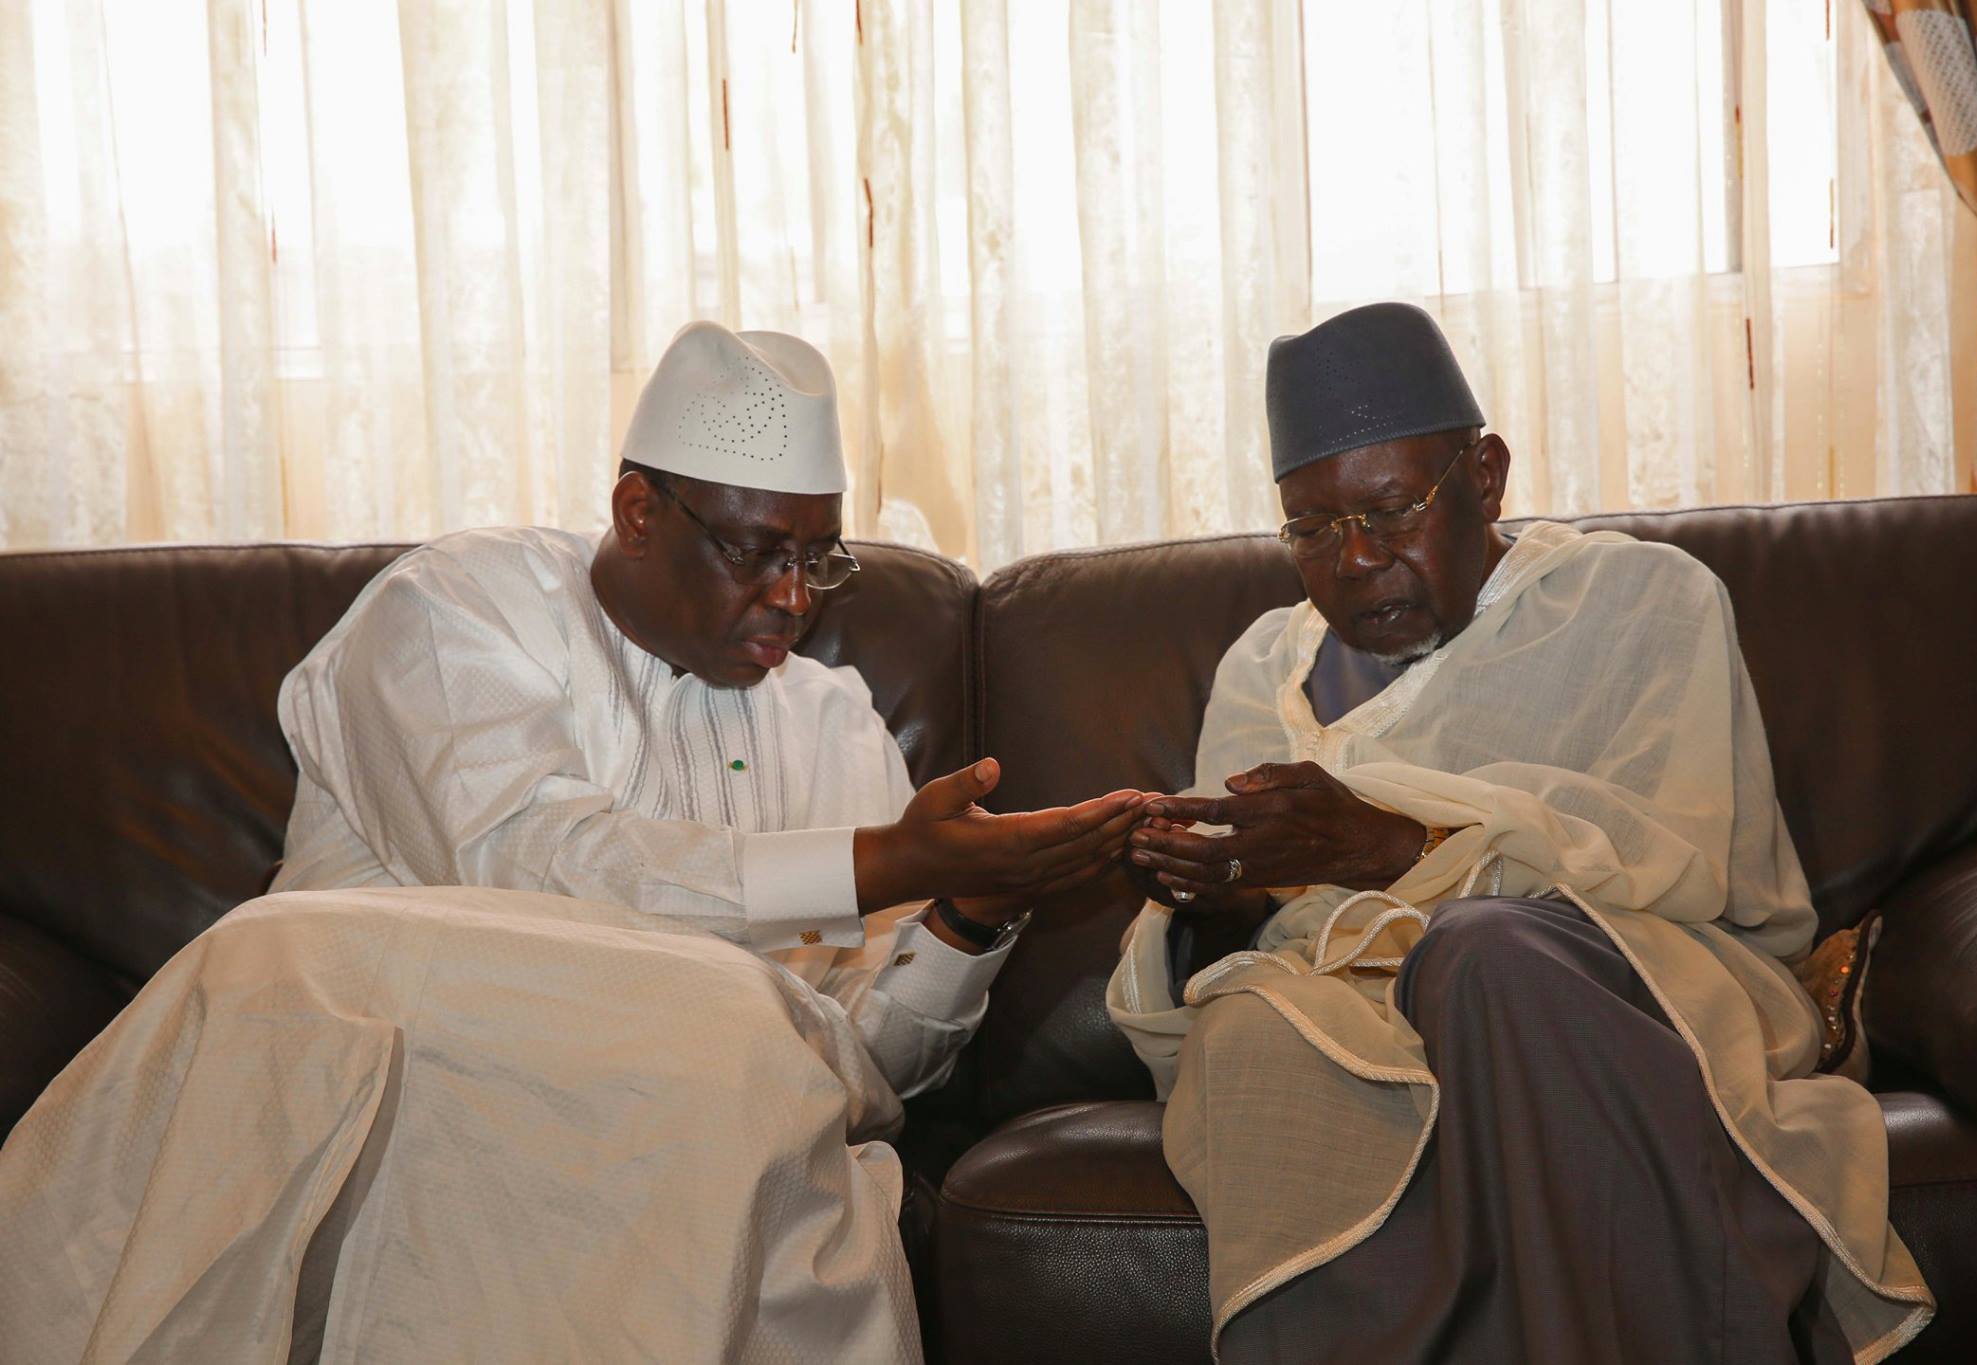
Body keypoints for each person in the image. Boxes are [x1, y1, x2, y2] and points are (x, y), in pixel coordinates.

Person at [0, 322, 1143, 1363]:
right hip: (404, 1054)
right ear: (638, 511)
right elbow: (529, 867)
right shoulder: (458, 608)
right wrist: (885, 865)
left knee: (749, 1049)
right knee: (728, 1024)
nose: (794, 598)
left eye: (819, 559)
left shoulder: (833, 722)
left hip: (684, 1107)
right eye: (757, 552)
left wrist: (968, 911)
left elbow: (858, 1067)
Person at [1107, 302, 1934, 1363]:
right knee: (1250, 1028)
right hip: (1347, 1004)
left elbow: (1669, 862)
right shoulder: (1259, 667)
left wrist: (1385, 848)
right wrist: (1211, 895)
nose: (1354, 559)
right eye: (1311, 530)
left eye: (1391, 510)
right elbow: (1264, 930)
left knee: (1484, 950)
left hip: (1617, 979)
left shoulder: (1634, 600)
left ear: (1485, 476)